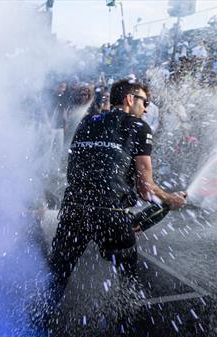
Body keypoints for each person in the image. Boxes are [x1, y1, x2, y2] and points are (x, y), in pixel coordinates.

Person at [46, 79, 187, 308]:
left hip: (73, 210)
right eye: (144, 102)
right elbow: (146, 189)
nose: (146, 108)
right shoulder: (139, 126)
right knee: (127, 280)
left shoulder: (86, 122)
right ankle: (125, 330)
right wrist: (172, 199)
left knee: (56, 278)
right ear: (129, 99)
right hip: (110, 214)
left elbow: (73, 165)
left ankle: (39, 326)